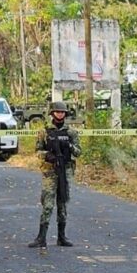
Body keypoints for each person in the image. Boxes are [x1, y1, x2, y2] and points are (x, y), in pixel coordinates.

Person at [28, 102, 80, 248]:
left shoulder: (71, 132)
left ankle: (62, 237)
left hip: (65, 171)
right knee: (48, 205)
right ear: (52, 113)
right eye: (57, 112)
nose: (60, 114)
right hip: (50, 172)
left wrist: (69, 146)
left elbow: (78, 152)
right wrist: (47, 155)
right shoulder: (44, 132)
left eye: (62, 112)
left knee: (62, 204)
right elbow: (37, 151)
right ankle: (41, 237)